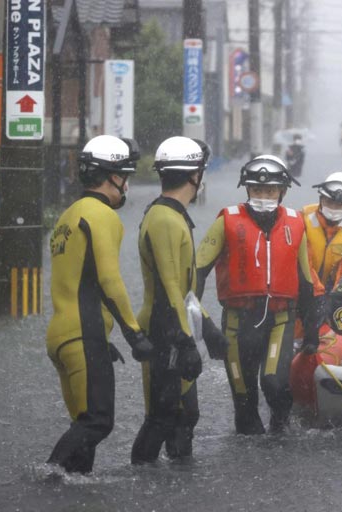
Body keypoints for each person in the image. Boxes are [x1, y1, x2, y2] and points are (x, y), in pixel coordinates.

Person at [46, 135, 154, 474]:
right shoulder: (102, 214)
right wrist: (134, 334)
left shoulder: (68, 216)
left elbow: (76, 280)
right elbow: (109, 280)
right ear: (113, 176)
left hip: (61, 337)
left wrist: (103, 340)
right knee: (97, 422)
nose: (127, 185)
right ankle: (44, 479)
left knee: (83, 429)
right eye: (125, 176)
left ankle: (66, 490)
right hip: (84, 333)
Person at [195, 155, 325, 435]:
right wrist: (200, 323)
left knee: (273, 383)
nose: (263, 196)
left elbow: (305, 281)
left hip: (280, 320)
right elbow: (197, 272)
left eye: (269, 191)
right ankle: (246, 456)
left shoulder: (296, 224)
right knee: (244, 405)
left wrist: (311, 331)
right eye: (256, 190)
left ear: (282, 191)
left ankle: (281, 424)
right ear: (247, 190)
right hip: (236, 323)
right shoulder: (226, 220)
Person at [131, 137, 227, 464]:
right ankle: (143, 480)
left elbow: (183, 290)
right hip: (164, 328)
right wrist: (186, 341)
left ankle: (175, 483)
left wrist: (208, 328)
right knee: (162, 415)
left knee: (186, 414)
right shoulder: (165, 219)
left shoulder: (172, 215)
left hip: (174, 325)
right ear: (195, 176)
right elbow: (170, 287)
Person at [303, 172, 342, 292]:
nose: (333, 208)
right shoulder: (303, 219)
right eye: (329, 202)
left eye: (341, 204)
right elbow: (304, 262)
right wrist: (317, 292)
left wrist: (335, 295)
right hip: (305, 286)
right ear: (321, 199)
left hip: (332, 290)